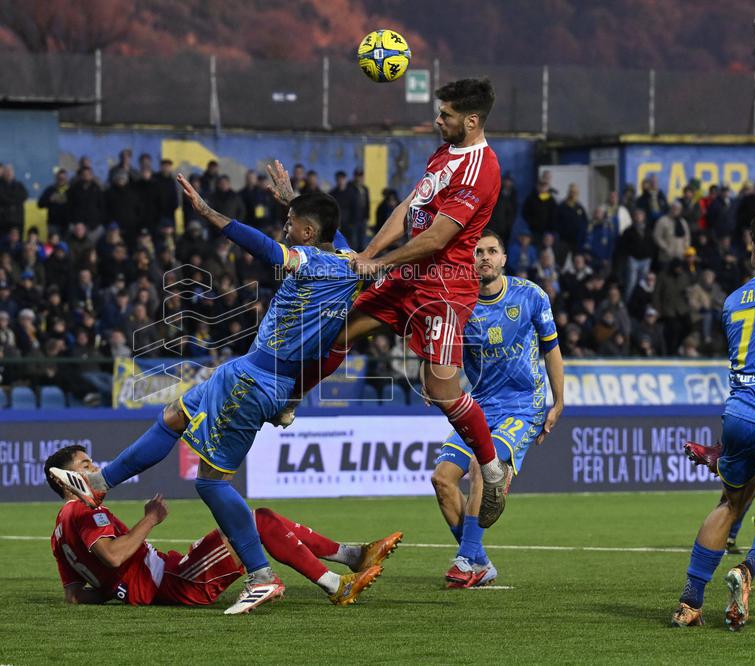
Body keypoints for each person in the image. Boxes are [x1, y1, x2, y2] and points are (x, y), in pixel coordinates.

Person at [49, 165, 361, 614]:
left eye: (292, 225)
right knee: (172, 417)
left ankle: (261, 576)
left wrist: (209, 212)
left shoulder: (309, 261)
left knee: (211, 483)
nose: (285, 228)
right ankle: (99, 482)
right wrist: (291, 200)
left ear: (308, 233)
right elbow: (330, 235)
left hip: (254, 380)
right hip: (251, 371)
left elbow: (266, 248)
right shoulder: (346, 259)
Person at [274, 78, 511, 528]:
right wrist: (367, 255)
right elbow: (409, 209)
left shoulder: (483, 169)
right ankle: (292, 397)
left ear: (472, 120)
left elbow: (439, 236)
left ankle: (492, 468)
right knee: (339, 329)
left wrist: (379, 265)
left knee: (441, 389)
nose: (437, 120)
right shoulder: (445, 152)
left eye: (446, 115)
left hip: (445, 287)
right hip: (411, 275)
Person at [46, 445, 398, 610]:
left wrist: (116, 591)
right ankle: (336, 583)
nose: (95, 468)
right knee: (255, 520)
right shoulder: (84, 511)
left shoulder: (58, 532)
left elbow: (75, 594)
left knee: (258, 519)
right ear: (65, 479)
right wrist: (151, 517)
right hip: (174, 580)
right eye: (85, 464)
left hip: (169, 576)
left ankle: (353, 557)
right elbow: (113, 556)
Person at [671, 211, 755, 631]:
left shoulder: (732, 301)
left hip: (738, 415)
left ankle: (690, 603)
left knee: (730, 503)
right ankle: (746, 571)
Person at [430, 231, 564, 588]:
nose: (484, 257)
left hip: (523, 406)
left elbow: (552, 350)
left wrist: (559, 402)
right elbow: (443, 353)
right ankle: (479, 562)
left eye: (491, 251)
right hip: (481, 405)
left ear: (504, 258)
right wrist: (434, 380)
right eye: (477, 252)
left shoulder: (531, 295)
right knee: (442, 480)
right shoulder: (459, 302)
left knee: (480, 464)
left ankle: (464, 558)